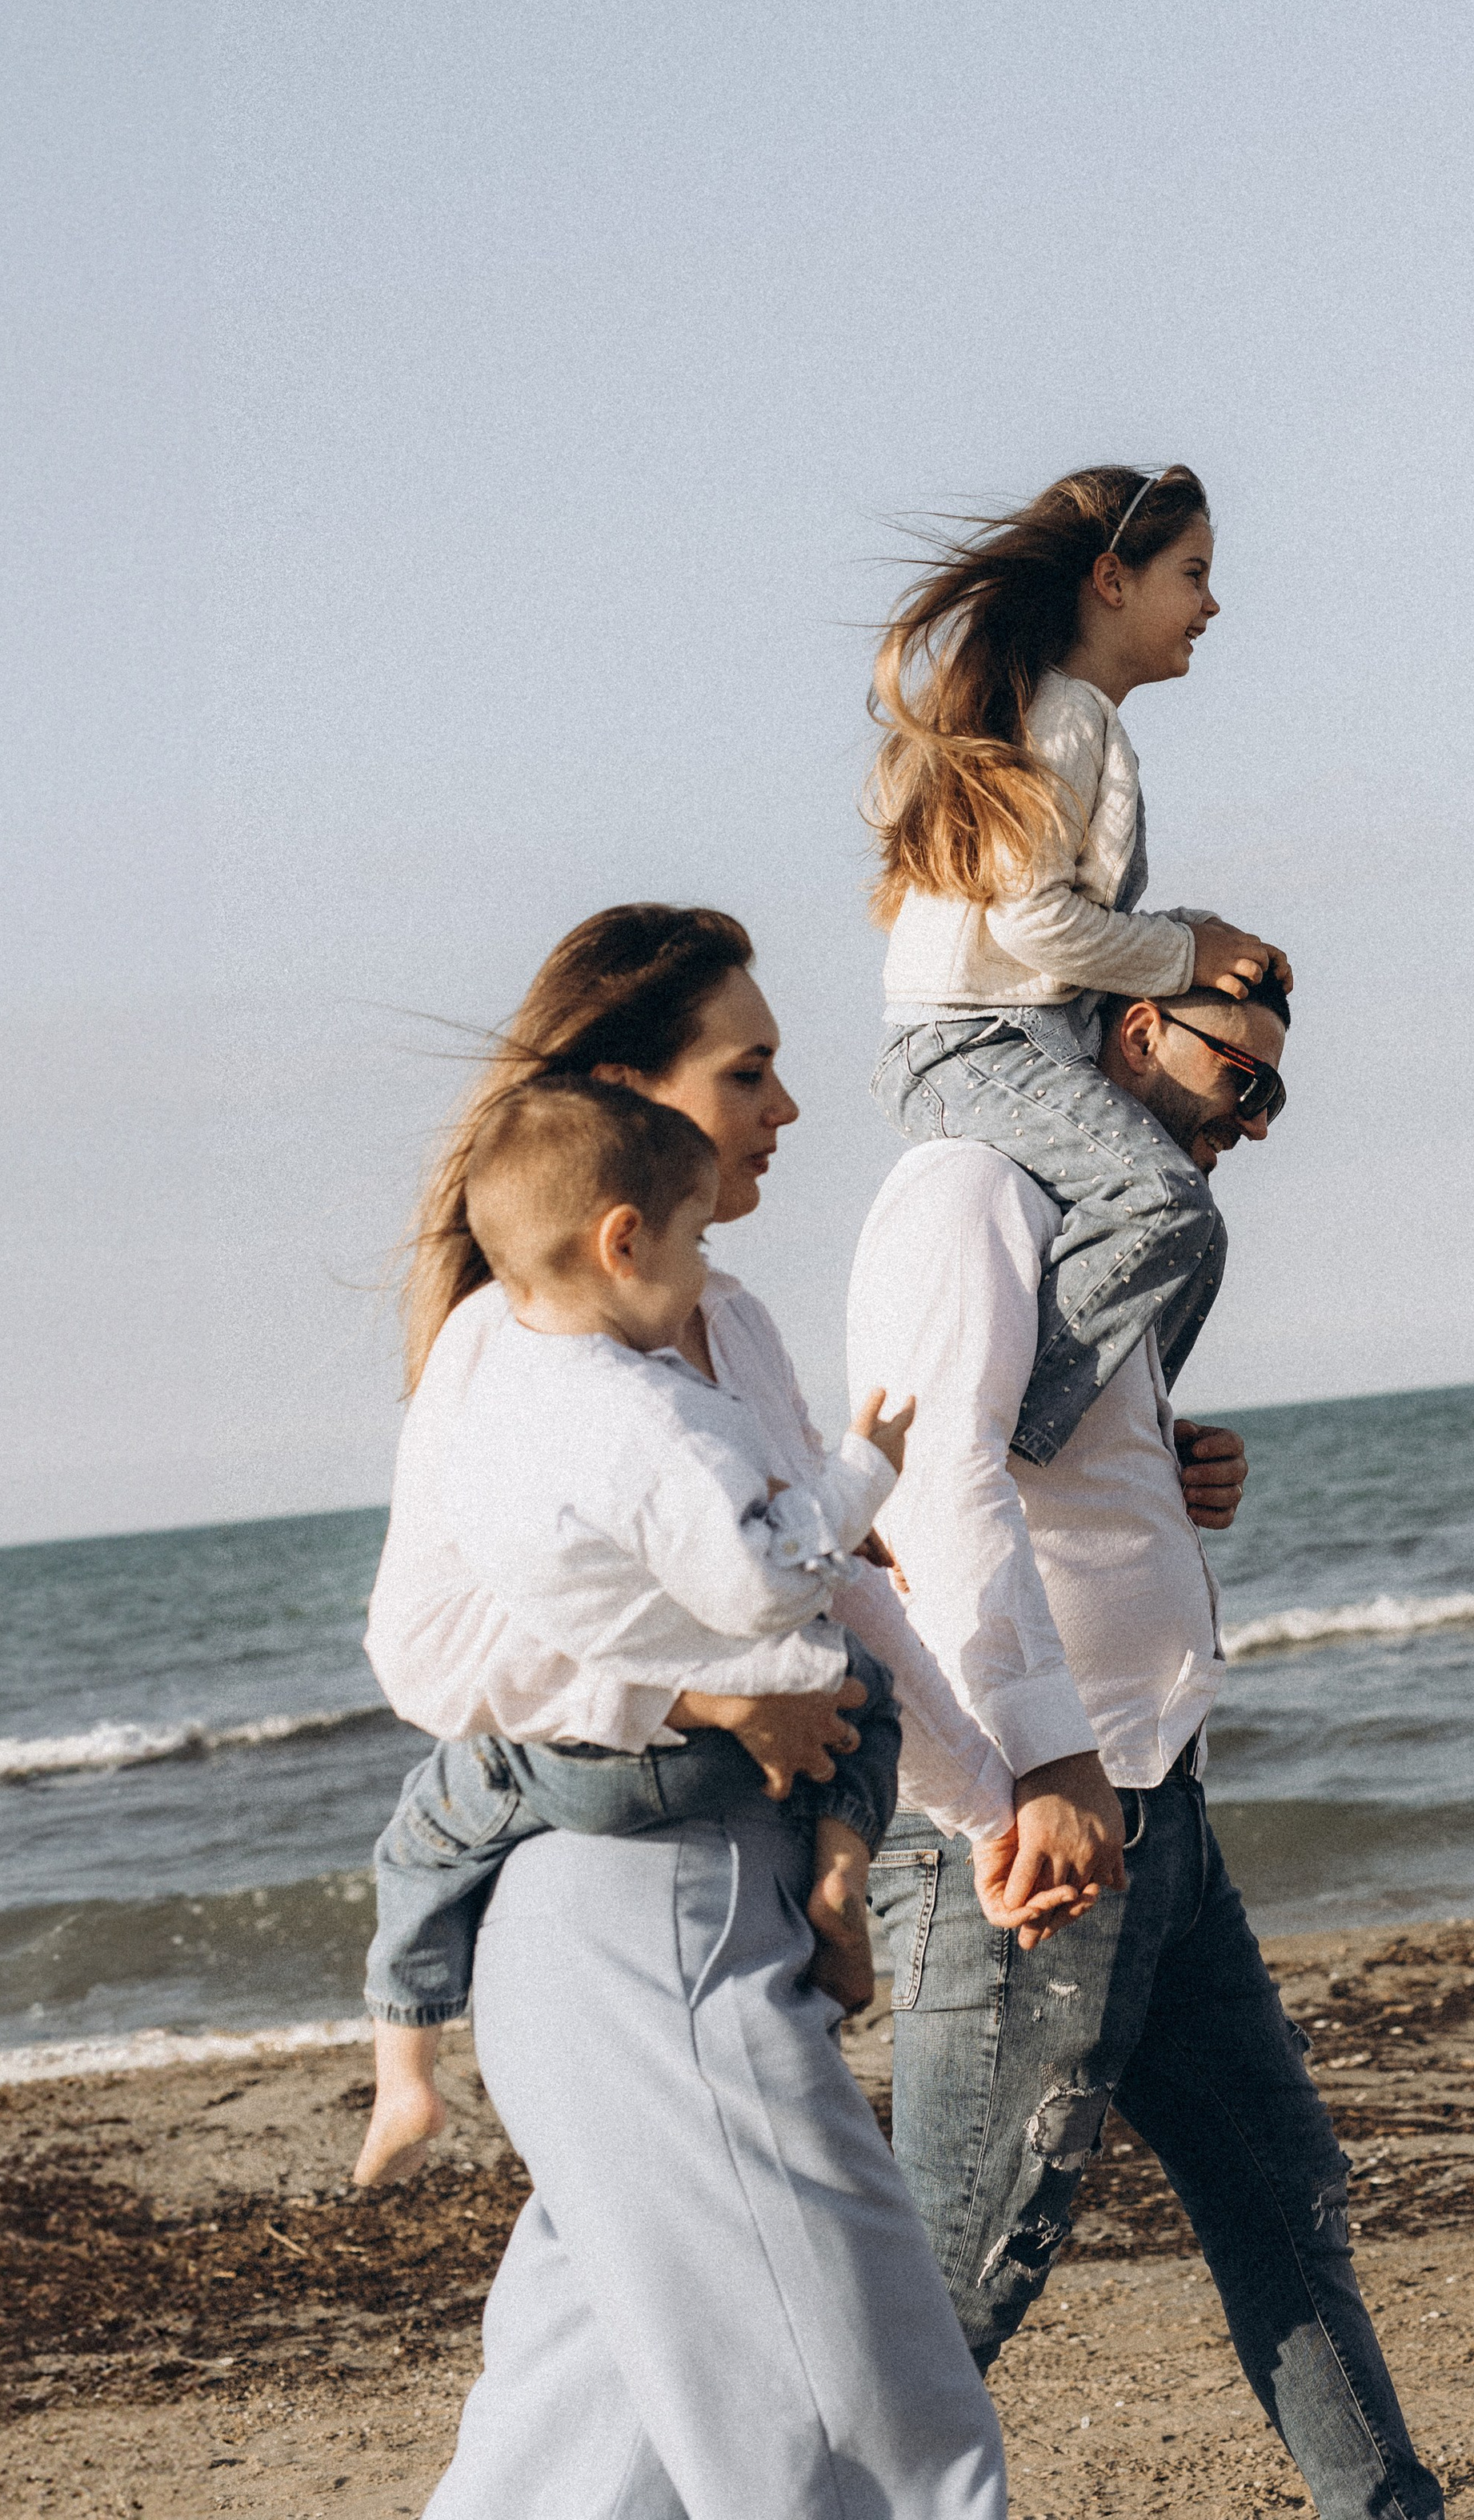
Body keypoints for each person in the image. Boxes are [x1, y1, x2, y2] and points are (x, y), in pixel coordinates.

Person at [368, 906, 1041, 2520]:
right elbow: (425, 1653)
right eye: (748, 1073)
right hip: (636, 1927)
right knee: (869, 2439)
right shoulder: (501, 1354)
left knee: (580, 2456)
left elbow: (837, 1586)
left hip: (697, 1919)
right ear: (626, 1104)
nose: (785, 1109)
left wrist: (987, 1799)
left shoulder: (719, 1321)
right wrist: (708, 1696)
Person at [851, 974, 1448, 2520]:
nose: (1247, 1123)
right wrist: (1037, 1770)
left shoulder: (1091, 1215)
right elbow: (935, 1484)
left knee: (1283, 2195)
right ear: (1128, 1034)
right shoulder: (968, 1186)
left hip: (1156, 1798)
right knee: (958, 2286)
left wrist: (1167, 1467)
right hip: (1034, 1821)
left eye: (1270, 1099)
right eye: (1235, 1080)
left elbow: (1041, 1454)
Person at [351, 1073, 923, 2193]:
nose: (708, 1267)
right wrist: (861, 1478)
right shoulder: (652, 1413)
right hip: (687, 1764)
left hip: (566, 1762)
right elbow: (766, 1583)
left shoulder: (502, 1392)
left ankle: (406, 2065)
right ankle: (843, 1871)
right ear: (624, 1241)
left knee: (426, 1831)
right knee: (867, 1687)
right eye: (695, 1238)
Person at [867, 462, 1291, 1466]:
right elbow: (1037, 928)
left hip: (1010, 1038)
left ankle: (1128, 1440)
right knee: (1159, 1201)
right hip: (969, 1045)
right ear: (1112, 579)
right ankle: (1006, 1446)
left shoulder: (1070, 717)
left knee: (1198, 1238)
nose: (1210, 603)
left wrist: (1215, 953)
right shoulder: (1064, 716)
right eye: (1191, 574)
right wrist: (1191, 949)